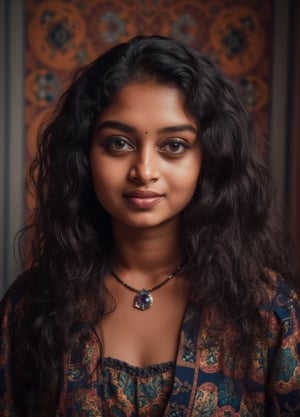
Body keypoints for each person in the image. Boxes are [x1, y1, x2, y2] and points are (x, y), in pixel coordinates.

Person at [0, 35, 299, 417]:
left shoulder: (268, 310)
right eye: (119, 143)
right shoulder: (33, 305)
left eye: (173, 146)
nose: (144, 170)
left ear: (209, 158)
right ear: (84, 154)